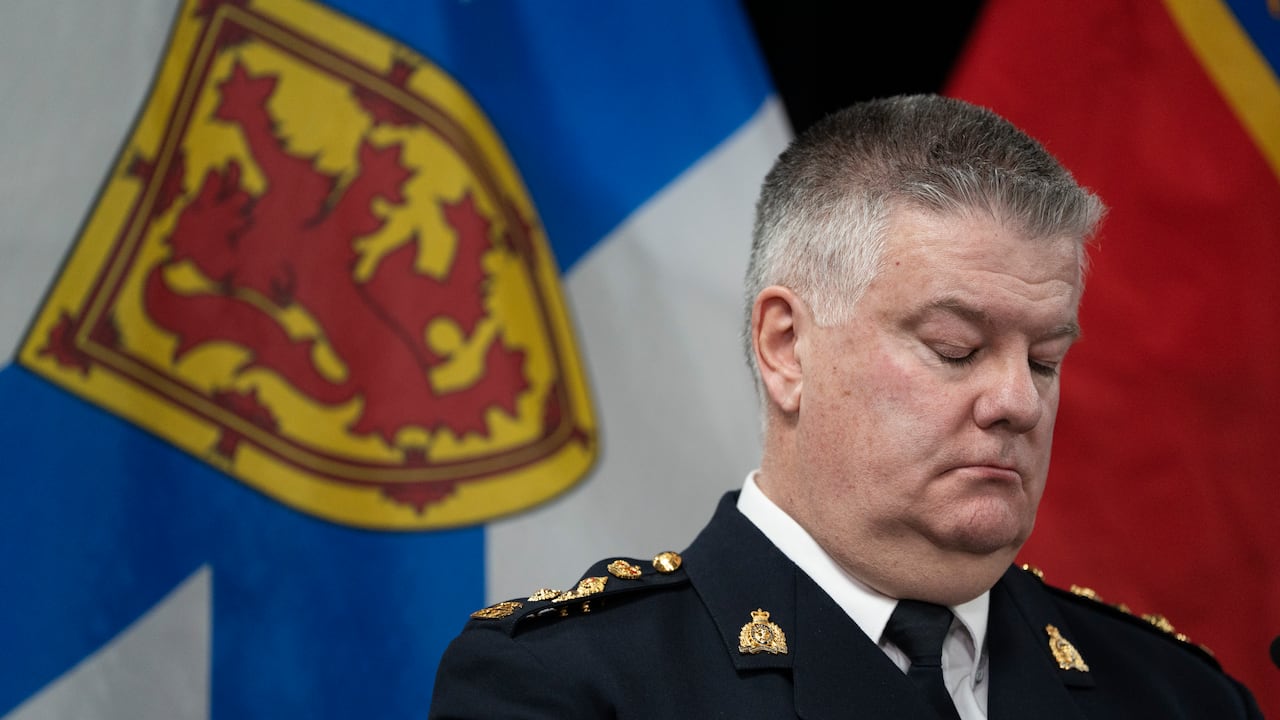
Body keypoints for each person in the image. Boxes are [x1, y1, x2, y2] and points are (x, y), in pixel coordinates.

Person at [428, 94, 1263, 719]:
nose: (1017, 401)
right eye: (956, 349)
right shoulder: (568, 689)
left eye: (1045, 360)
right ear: (787, 347)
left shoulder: (1180, 699)